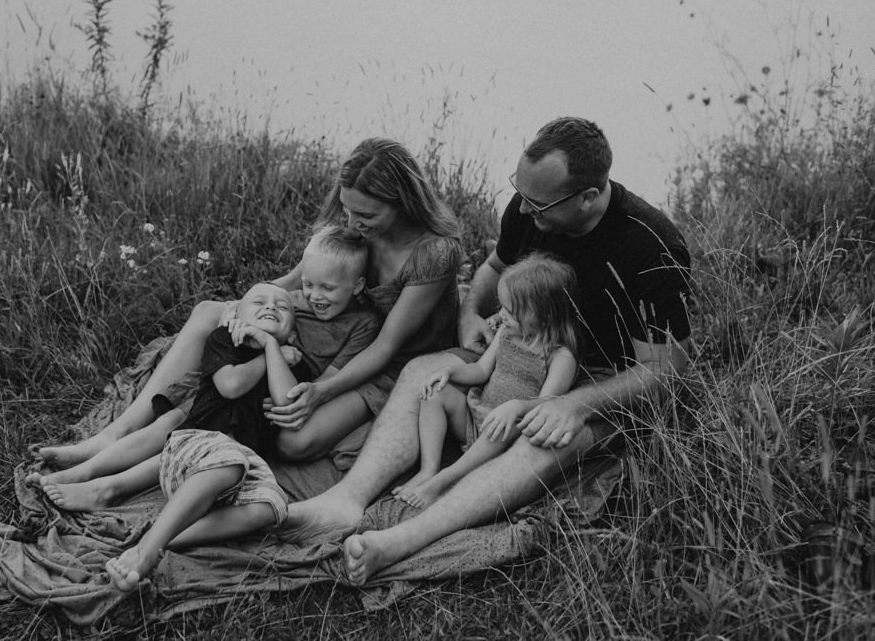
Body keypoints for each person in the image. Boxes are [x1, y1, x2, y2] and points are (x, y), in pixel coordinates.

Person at [278, 117, 693, 587]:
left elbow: (667, 367)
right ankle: (345, 501)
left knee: (542, 440)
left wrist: (574, 404)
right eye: (521, 190)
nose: (525, 209)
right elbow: (495, 267)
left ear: (588, 198)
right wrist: (472, 312)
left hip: (598, 379)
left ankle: (398, 542)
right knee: (422, 370)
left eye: (540, 204)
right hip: (519, 346)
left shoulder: (651, 246)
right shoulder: (528, 207)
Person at [36, 137, 463, 471]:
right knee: (209, 312)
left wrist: (320, 392)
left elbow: (387, 346)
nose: (353, 224)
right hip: (331, 332)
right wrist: (245, 312)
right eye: (348, 211)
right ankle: (122, 429)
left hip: (388, 364)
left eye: (365, 216)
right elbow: (292, 282)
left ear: (402, 201)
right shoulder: (358, 232)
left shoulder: (434, 253)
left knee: (292, 442)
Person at [29, 226, 381, 511]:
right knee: (170, 421)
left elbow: (320, 384)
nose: (313, 296)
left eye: (327, 288)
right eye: (307, 285)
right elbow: (264, 301)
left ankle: (107, 488)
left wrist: (284, 363)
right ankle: (90, 462)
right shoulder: (293, 301)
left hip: (266, 398)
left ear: (358, 286)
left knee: (188, 440)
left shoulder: (360, 324)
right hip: (238, 377)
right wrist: (242, 317)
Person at [101, 281, 302, 591]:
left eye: (282, 306)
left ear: (292, 334)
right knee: (229, 460)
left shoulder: (289, 361)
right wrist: (265, 352)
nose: (271, 307)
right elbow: (231, 386)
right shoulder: (224, 341)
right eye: (259, 302)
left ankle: (169, 535)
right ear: (236, 318)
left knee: (274, 505)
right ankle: (149, 550)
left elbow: (288, 402)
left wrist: (274, 348)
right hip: (193, 446)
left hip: (240, 468)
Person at [392, 252, 580, 509]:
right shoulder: (506, 333)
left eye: (511, 311)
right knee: (435, 392)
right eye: (502, 306)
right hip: (476, 418)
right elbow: (481, 371)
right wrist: (449, 372)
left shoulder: (559, 355)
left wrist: (516, 406)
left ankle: (447, 479)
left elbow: (547, 404)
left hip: (507, 436)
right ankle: (429, 469)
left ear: (544, 317)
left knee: (504, 427)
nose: (501, 315)